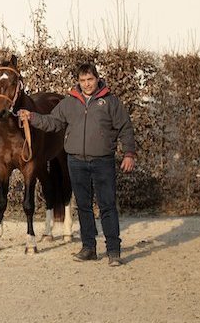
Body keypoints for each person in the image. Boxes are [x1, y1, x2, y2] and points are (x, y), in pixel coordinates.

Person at [19, 62, 136, 266]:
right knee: (83, 206)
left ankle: (113, 251)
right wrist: (33, 117)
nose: (87, 84)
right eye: (82, 81)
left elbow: (125, 127)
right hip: (76, 161)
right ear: (78, 82)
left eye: (90, 79)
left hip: (102, 161)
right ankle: (89, 247)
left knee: (107, 206)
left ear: (97, 79)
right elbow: (53, 122)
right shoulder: (69, 103)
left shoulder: (110, 102)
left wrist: (129, 153)